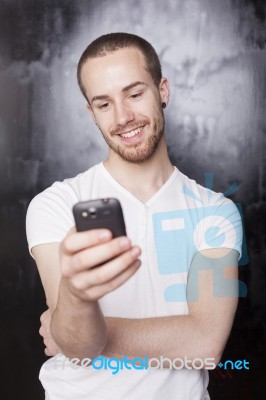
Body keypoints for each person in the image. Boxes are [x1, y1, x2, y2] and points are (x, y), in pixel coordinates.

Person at [26, 32, 243, 400]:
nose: (123, 117)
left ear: (163, 91)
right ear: (91, 113)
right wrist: (77, 298)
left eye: (134, 93)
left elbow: (205, 344)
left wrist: (77, 329)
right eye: (104, 103)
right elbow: (77, 346)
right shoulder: (58, 203)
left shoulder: (216, 212)